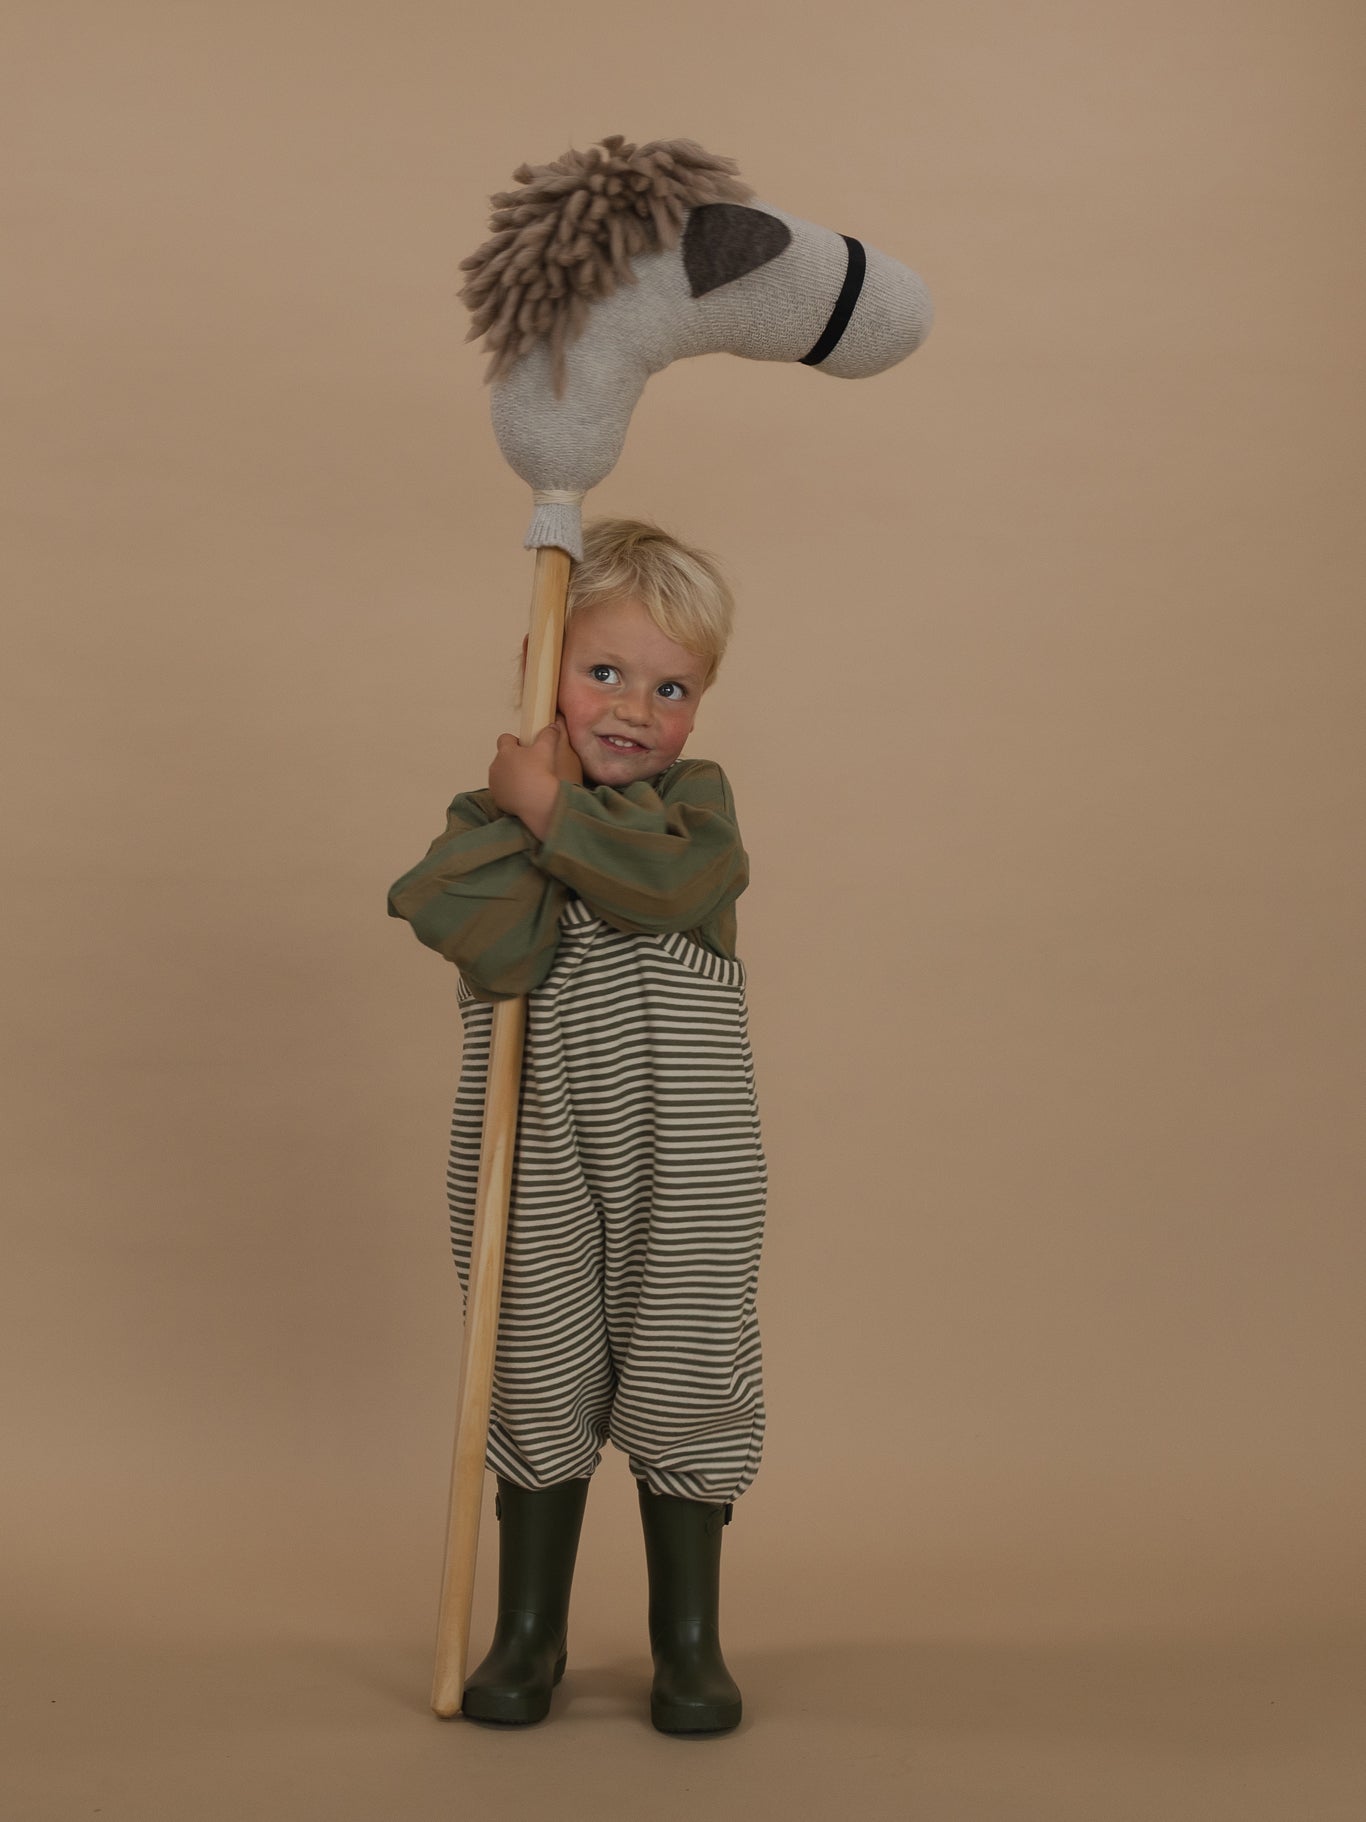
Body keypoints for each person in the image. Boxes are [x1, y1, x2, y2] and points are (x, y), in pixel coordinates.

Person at [387, 519, 766, 1733]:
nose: (632, 709)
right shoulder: (488, 812)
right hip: (533, 1137)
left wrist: (550, 814)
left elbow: (667, 889)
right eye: (602, 671)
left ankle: (689, 1640)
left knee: (682, 1355)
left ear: (697, 711)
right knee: (532, 1353)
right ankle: (530, 1632)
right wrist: (525, 811)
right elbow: (463, 923)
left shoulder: (691, 813)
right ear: (542, 662)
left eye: (672, 687)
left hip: (686, 1151)